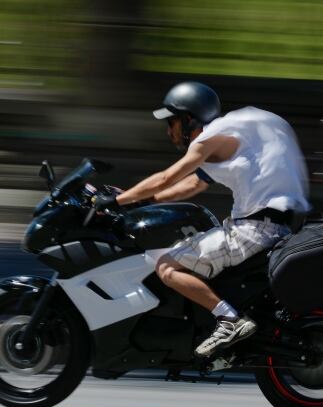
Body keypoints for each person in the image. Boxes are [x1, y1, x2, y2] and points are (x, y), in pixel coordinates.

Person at [94, 81, 310, 358]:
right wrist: (144, 201)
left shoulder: (207, 139)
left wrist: (115, 201)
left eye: (171, 121)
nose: (168, 130)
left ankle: (228, 318)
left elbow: (167, 177)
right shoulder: (232, 134)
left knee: (167, 266)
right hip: (282, 223)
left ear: (188, 119)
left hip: (254, 229)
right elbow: (194, 184)